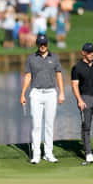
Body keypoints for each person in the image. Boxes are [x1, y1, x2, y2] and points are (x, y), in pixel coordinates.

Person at [20, 34, 65, 164]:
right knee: (36, 124)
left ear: (47, 44)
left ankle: (48, 153)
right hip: (36, 93)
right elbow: (28, 76)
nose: (43, 45)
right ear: (37, 45)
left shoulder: (54, 57)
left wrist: (61, 93)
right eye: (40, 44)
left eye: (44, 43)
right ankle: (36, 155)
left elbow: (59, 76)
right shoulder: (31, 58)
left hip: (51, 92)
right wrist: (22, 94)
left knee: (50, 124)